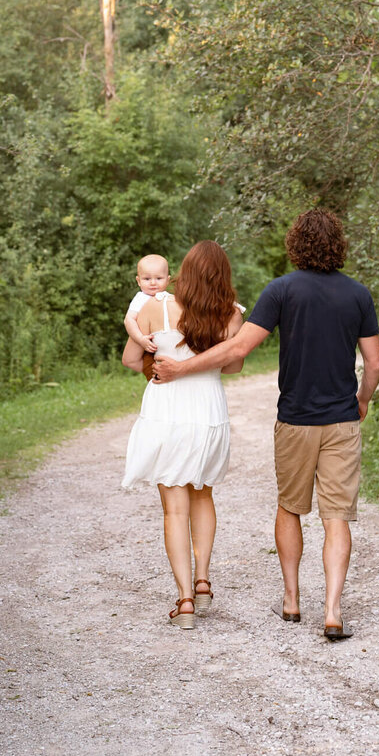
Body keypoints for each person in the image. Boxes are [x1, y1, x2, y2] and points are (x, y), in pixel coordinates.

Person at [152, 208, 379, 641]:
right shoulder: (358, 294)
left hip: (295, 419)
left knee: (290, 507)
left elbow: (238, 348)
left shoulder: (281, 290)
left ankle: (292, 602)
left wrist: (183, 370)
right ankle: (332, 610)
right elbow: (373, 362)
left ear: (295, 243)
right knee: (337, 519)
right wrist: (362, 400)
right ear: (339, 245)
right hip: (342, 422)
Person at [121, 242, 245, 629]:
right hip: (208, 412)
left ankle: (185, 601)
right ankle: (204, 581)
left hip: (166, 412)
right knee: (203, 493)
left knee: (174, 509)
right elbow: (234, 366)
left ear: (182, 273)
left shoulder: (153, 306)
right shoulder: (231, 315)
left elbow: (129, 360)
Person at [125, 254, 171, 354]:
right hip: (147, 343)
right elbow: (129, 320)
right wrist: (140, 339)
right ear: (138, 281)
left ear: (167, 280)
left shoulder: (169, 297)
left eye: (159, 278)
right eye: (147, 279)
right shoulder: (141, 298)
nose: (153, 283)